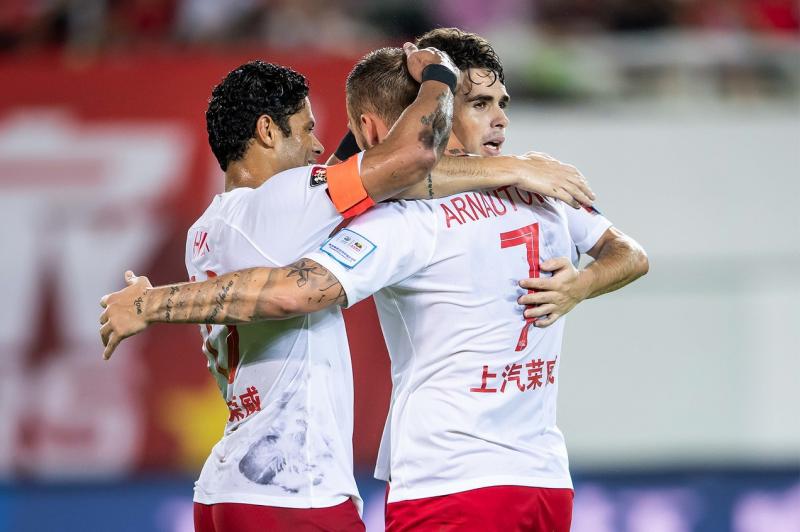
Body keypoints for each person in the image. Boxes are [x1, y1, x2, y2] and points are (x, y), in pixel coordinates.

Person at [100, 30, 648, 531]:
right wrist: (445, 88)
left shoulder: (208, 229)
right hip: (301, 492)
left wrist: (577, 280)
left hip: (232, 481)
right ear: (267, 131)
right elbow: (402, 164)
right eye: (307, 130)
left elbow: (364, 165)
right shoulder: (298, 201)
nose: (320, 149)